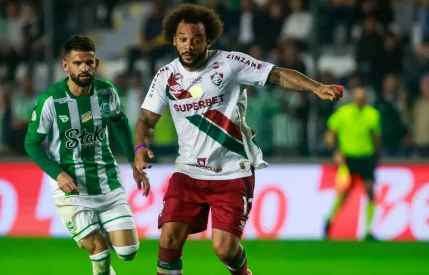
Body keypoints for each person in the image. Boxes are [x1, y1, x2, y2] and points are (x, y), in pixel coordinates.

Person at [132, 4, 343, 275]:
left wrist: (316, 87)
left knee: (224, 249)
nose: (188, 45)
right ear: (174, 40)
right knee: (169, 239)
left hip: (231, 171)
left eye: (196, 39)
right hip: (188, 171)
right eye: (182, 39)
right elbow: (145, 121)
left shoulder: (230, 64)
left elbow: (276, 74)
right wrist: (140, 148)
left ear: (208, 40)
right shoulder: (166, 76)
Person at [25, 35, 150, 275]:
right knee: (99, 252)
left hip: (106, 179)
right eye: (78, 62)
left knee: (128, 252)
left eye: (89, 62)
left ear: (97, 63)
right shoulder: (51, 101)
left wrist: (134, 162)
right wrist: (58, 173)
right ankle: (95, 239)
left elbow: (120, 122)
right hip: (72, 187)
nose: (84, 67)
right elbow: (31, 143)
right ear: (66, 65)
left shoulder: (106, 92)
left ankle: (99, 228)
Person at [324, 87, 382, 241]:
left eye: (362, 97)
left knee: (370, 192)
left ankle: (369, 231)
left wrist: (376, 156)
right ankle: (329, 221)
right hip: (347, 158)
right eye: (357, 97)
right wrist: (335, 151)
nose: (360, 100)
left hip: (366, 157)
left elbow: (376, 137)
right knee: (343, 194)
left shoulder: (373, 114)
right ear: (353, 98)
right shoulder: (343, 113)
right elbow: (330, 133)